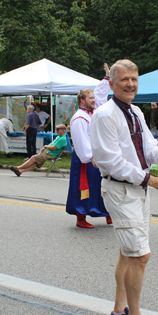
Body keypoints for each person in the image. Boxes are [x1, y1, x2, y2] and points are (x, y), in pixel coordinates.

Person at [91, 59, 158, 315]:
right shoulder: (104, 114)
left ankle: (118, 313)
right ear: (112, 83)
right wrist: (150, 180)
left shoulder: (137, 111)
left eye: (134, 79)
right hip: (120, 190)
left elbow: (146, 149)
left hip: (138, 191)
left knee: (129, 254)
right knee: (140, 255)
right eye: (125, 79)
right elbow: (110, 161)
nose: (130, 84)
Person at [66, 62, 111, 228]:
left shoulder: (93, 111)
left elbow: (100, 95)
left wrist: (107, 77)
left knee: (102, 186)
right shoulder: (79, 118)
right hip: (85, 159)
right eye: (91, 99)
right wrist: (89, 156)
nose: (95, 101)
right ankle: (81, 218)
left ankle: (107, 214)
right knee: (84, 187)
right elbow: (80, 141)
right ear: (82, 101)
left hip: (97, 156)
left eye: (94, 98)